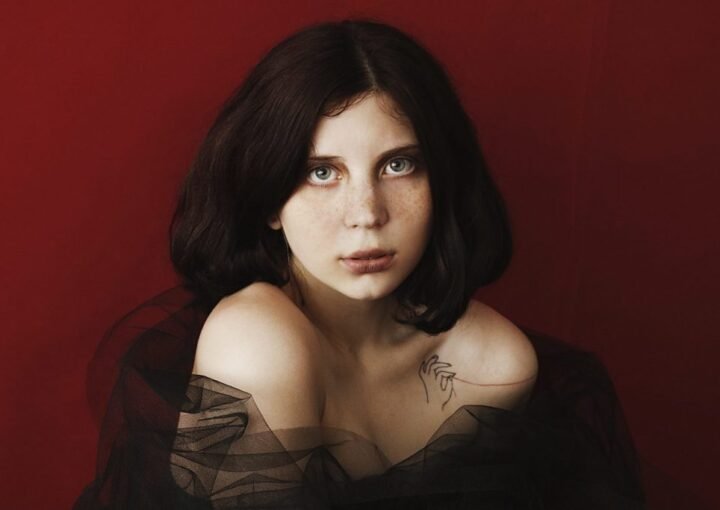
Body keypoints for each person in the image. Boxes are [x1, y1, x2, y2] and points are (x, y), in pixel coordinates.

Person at [75, 19, 645, 509]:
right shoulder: (254, 341)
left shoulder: (493, 363)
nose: (367, 214)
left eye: (398, 165)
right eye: (321, 172)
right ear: (269, 199)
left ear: (441, 182)